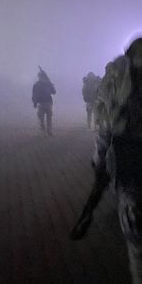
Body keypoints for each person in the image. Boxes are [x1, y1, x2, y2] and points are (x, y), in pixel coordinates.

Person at [71, 37, 142, 284]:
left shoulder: (118, 85)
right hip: (131, 174)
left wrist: (99, 162)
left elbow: (105, 139)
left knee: (138, 251)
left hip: (131, 177)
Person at [32, 66, 56, 136]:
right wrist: (50, 84)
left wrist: (35, 103)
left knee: (41, 119)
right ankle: (49, 130)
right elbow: (54, 92)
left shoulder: (36, 85)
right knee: (49, 118)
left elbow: (34, 95)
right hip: (48, 103)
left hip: (41, 103)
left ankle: (44, 132)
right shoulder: (48, 83)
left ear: (39, 77)